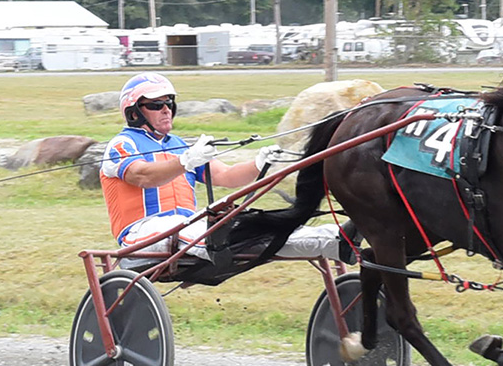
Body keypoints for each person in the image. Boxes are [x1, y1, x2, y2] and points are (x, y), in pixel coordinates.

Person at [100, 72, 354, 264]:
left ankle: (335, 239)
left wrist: (260, 163)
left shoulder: (178, 145)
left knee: (253, 228)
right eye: (156, 105)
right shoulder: (122, 144)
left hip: (185, 227)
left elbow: (225, 175)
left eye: (169, 103)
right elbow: (141, 176)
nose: (166, 110)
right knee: (215, 234)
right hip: (142, 233)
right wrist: (186, 161)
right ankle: (330, 240)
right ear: (134, 113)